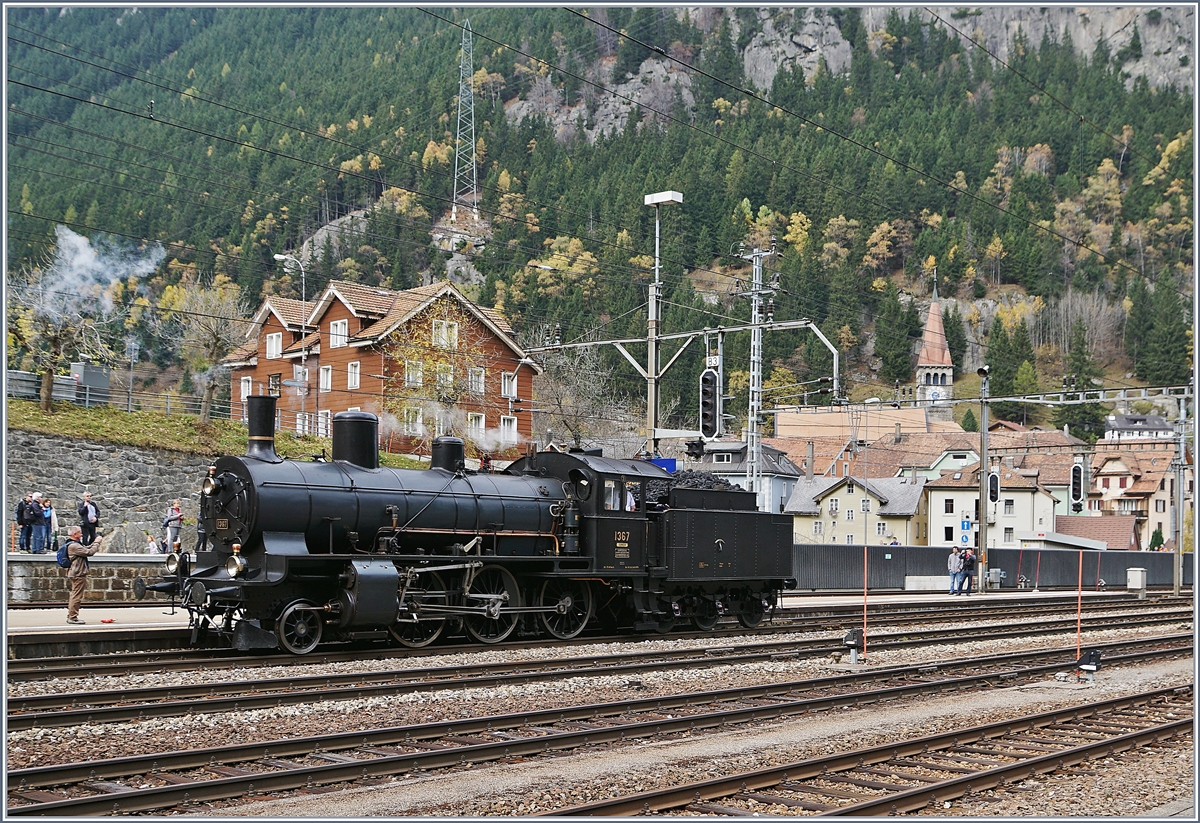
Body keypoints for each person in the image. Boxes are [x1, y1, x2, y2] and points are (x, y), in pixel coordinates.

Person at [64, 525, 99, 624]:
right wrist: (97, 542)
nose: (82, 534)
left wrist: (94, 542)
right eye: (80, 532)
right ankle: (73, 617)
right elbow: (89, 552)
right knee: (76, 596)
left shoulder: (74, 544)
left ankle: (71, 615)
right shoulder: (74, 546)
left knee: (75, 594)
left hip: (75, 572)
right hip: (78, 573)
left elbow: (85, 548)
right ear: (75, 534)